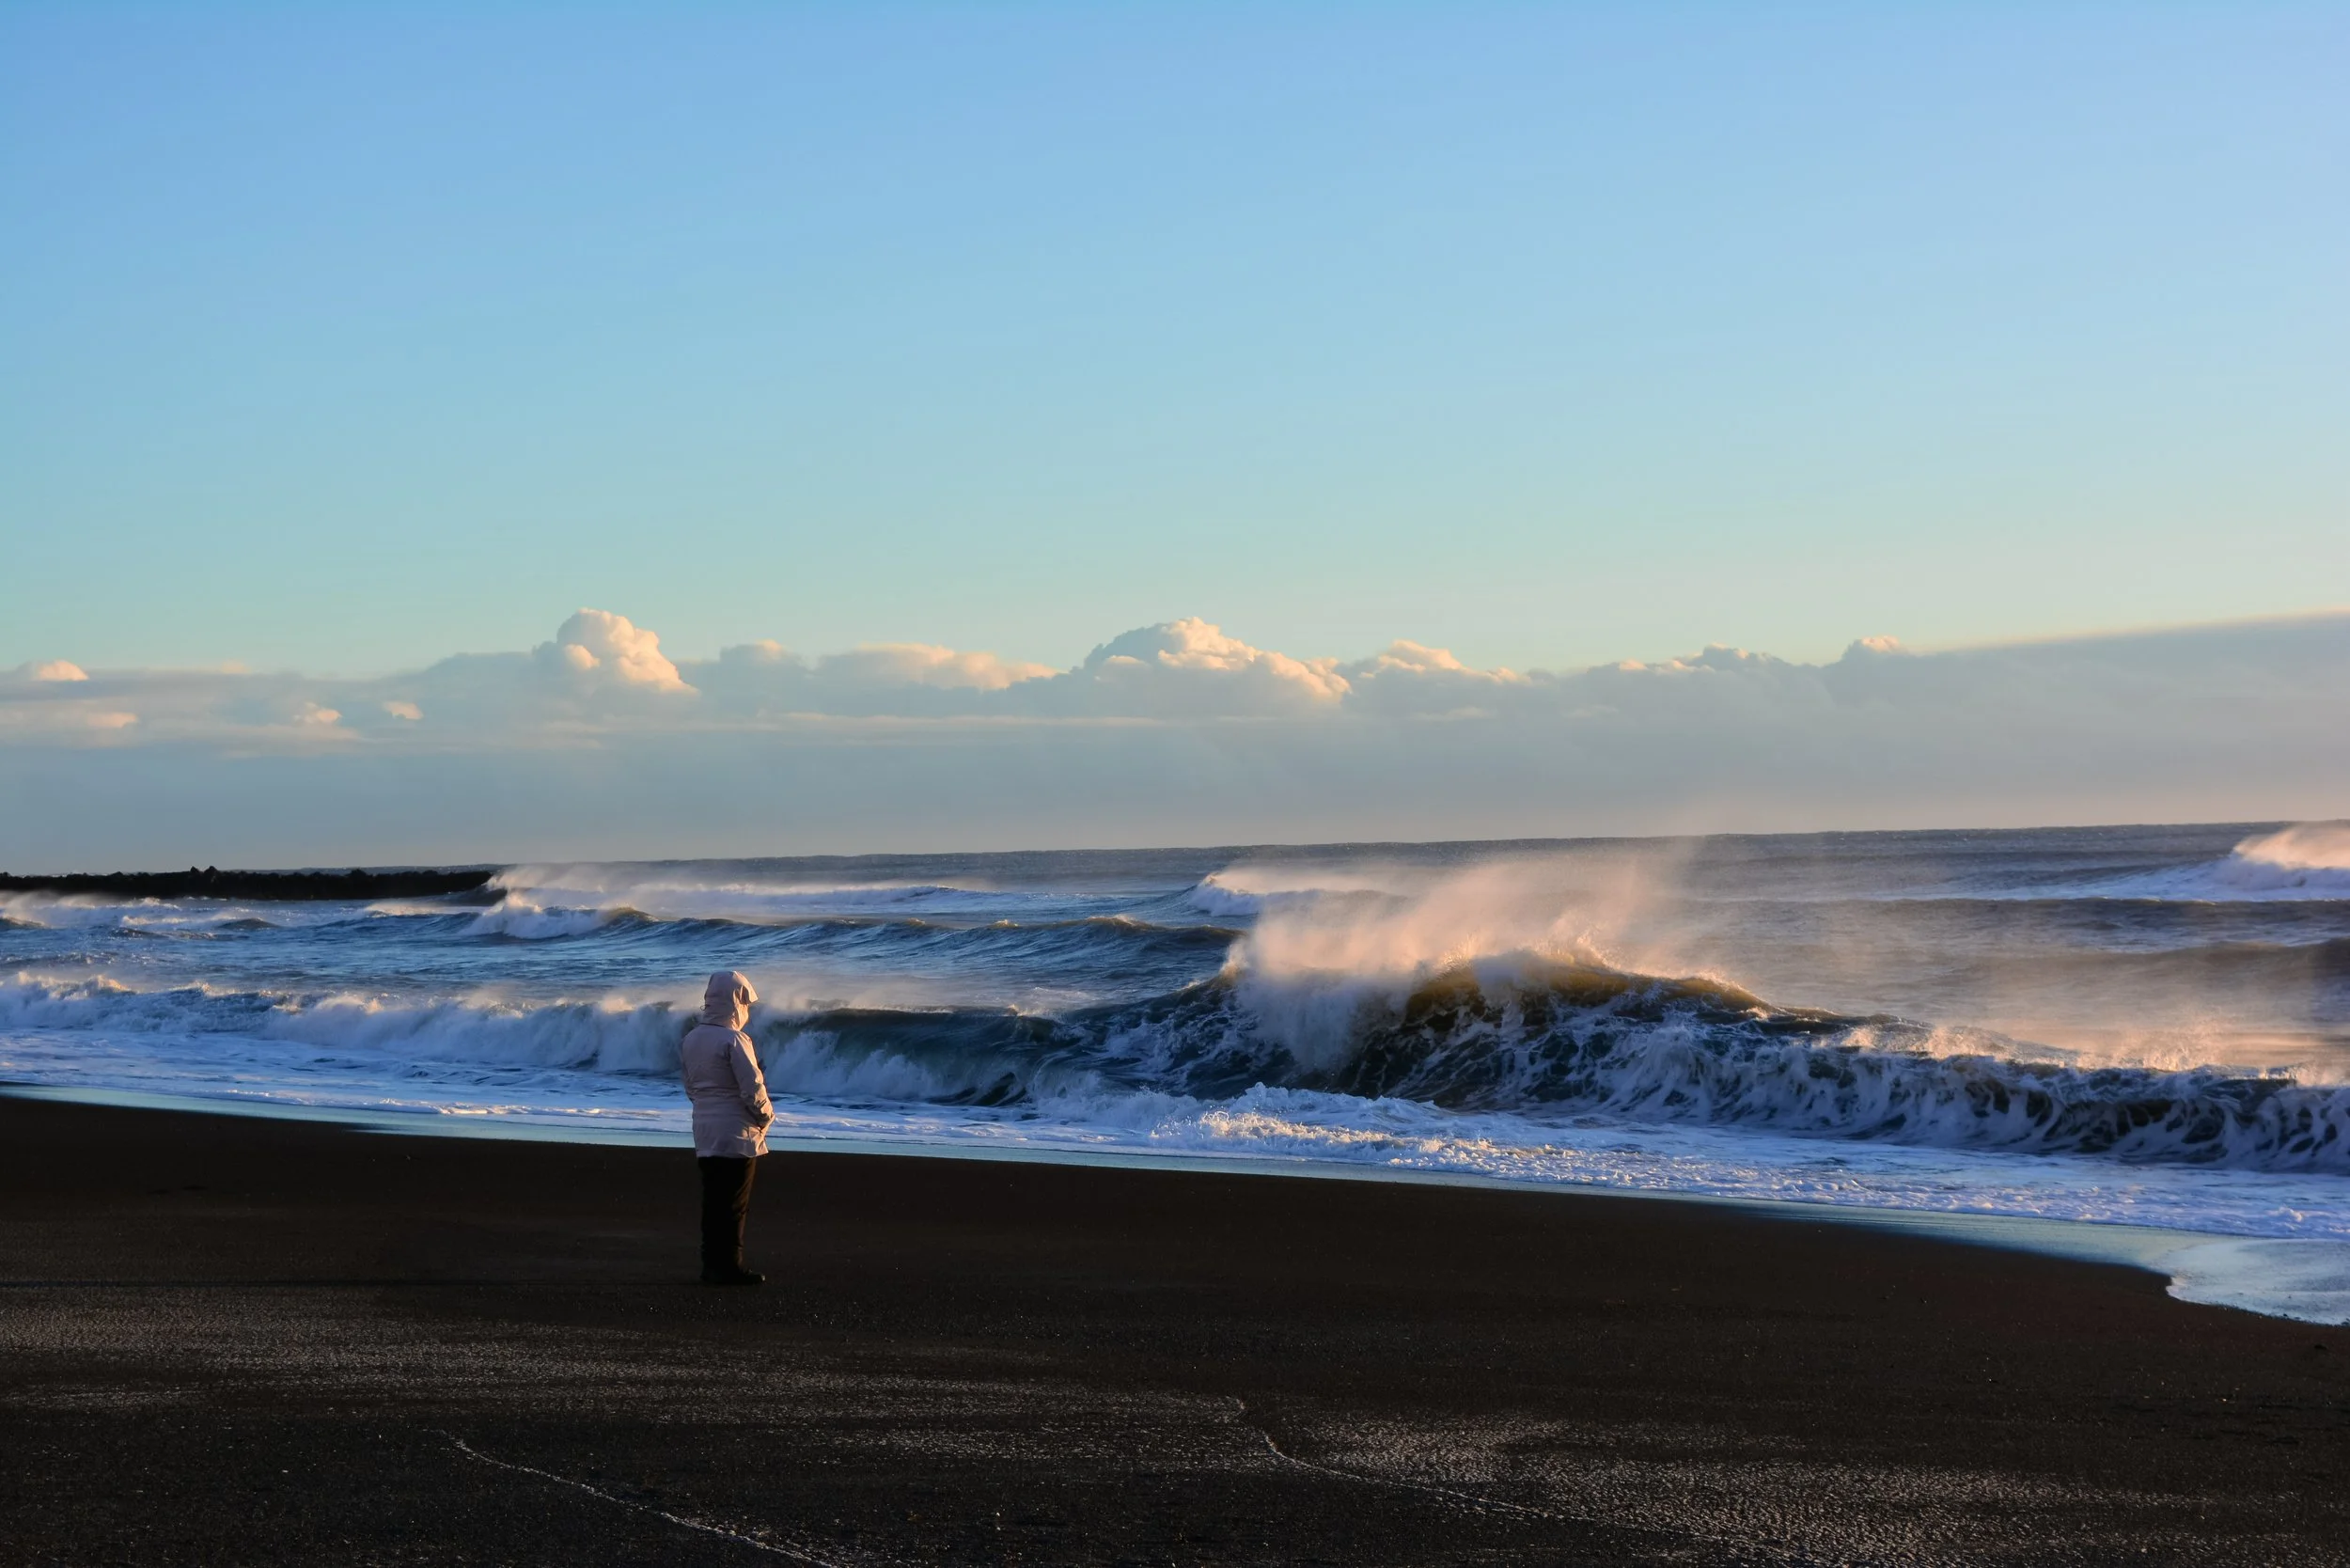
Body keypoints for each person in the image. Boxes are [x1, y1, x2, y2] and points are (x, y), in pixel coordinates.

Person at [680, 969, 773, 1286]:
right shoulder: (735, 1039)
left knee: (713, 1200)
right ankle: (729, 1267)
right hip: (736, 1131)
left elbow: (690, 1086)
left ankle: (711, 1264)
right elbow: (752, 1087)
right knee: (734, 1203)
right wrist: (765, 1117)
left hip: (704, 1129)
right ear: (736, 1002)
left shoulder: (692, 1038)